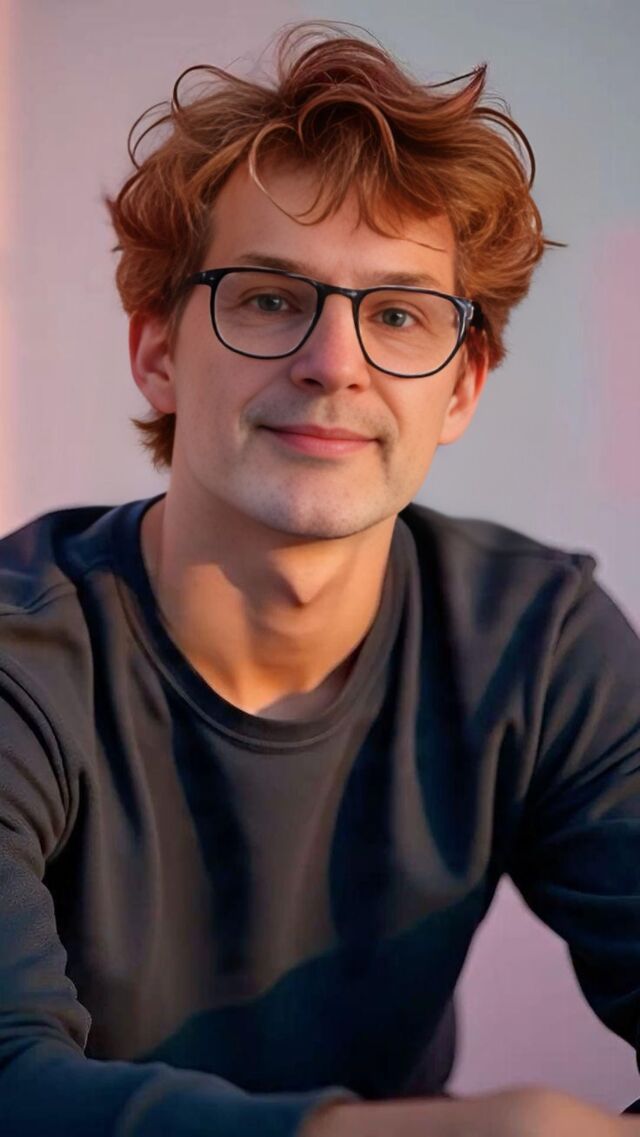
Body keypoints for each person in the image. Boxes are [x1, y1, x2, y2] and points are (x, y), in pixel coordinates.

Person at [0, 18, 638, 1137]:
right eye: (267, 297)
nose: (334, 363)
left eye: (397, 313)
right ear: (157, 351)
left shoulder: (537, 644)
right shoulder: (22, 661)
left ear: (461, 389)